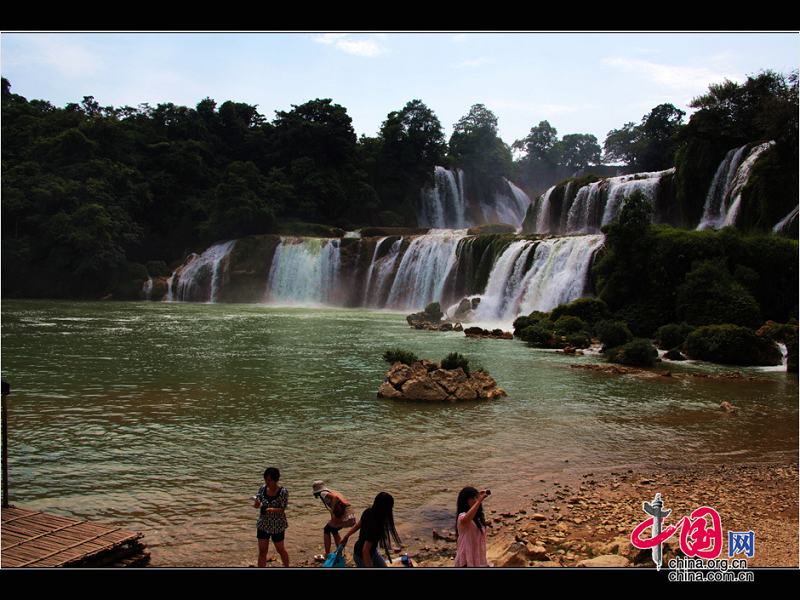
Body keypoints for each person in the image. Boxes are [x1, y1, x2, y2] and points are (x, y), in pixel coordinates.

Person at [340, 491, 401, 567]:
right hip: (361, 556)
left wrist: (346, 536)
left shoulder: (368, 511)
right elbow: (365, 551)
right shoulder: (376, 525)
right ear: (385, 509)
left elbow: (357, 526)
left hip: (372, 552)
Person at [253, 467, 290, 567]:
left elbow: (282, 509)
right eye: (265, 479)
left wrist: (271, 509)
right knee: (262, 551)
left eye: (269, 480)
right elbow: (256, 506)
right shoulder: (262, 489)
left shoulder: (283, 492)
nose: (267, 482)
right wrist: (256, 503)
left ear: (276, 480)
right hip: (263, 524)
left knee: (280, 549)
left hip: (277, 526)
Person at [312, 480, 356, 556]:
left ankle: (327, 553)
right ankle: (340, 552)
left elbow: (335, 498)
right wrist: (333, 516)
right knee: (333, 530)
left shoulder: (323, 493)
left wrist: (332, 510)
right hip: (348, 512)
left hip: (345, 514)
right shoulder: (331, 491)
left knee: (327, 529)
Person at [453, 486, 490, 567]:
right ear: (465, 501)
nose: (475, 500)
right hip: (466, 559)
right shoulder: (462, 517)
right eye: (472, 498)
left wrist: (477, 497)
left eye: (475, 498)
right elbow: (466, 519)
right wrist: (479, 501)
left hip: (478, 557)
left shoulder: (477, 518)